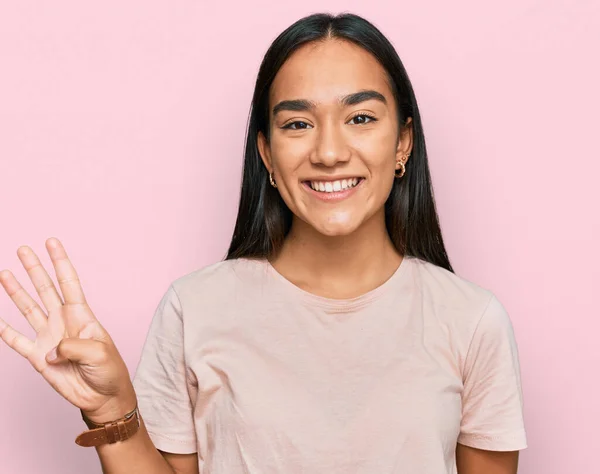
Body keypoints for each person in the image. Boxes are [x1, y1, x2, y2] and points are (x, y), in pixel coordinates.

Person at [0, 11, 527, 474]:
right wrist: (112, 411)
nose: (328, 151)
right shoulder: (194, 309)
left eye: (360, 118)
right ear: (268, 156)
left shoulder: (471, 321)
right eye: (297, 123)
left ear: (403, 143)